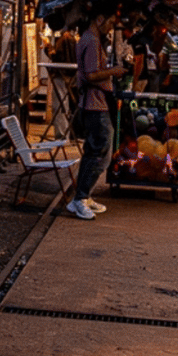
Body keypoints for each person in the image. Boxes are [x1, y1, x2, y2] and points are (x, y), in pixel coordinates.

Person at [65, 16, 122, 221]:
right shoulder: (91, 40)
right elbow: (90, 75)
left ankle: (84, 196)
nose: (111, 25)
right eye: (110, 21)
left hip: (96, 104)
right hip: (94, 105)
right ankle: (80, 199)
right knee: (99, 151)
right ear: (99, 19)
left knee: (95, 151)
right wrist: (114, 72)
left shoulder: (91, 40)